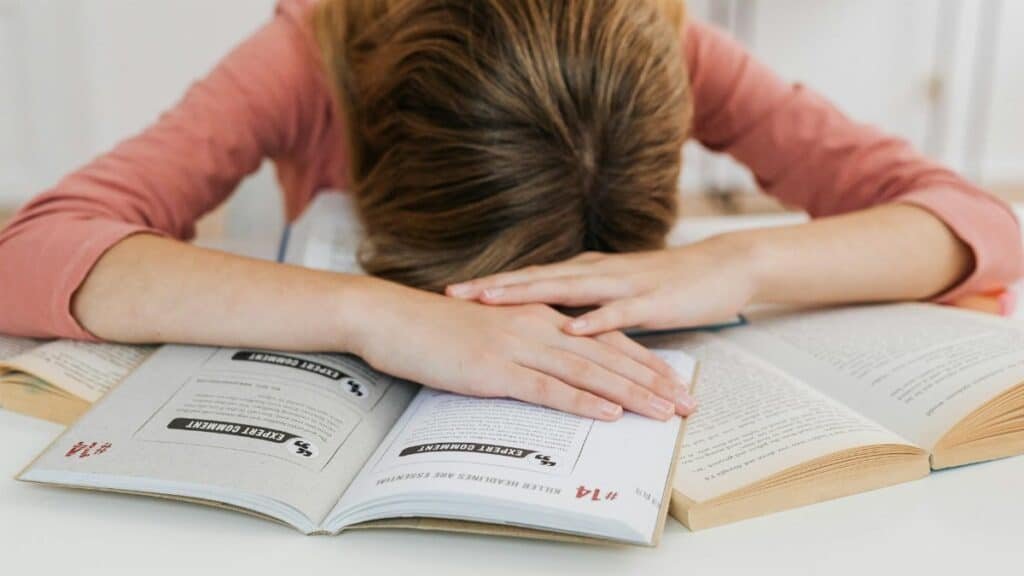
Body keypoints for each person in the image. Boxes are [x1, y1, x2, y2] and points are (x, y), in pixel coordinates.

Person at [1, 0, 1020, 423]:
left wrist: (733, 266)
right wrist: (374, 314)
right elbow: (31, 249)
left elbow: (978, 221)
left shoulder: (661, 37)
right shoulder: (314, 44)